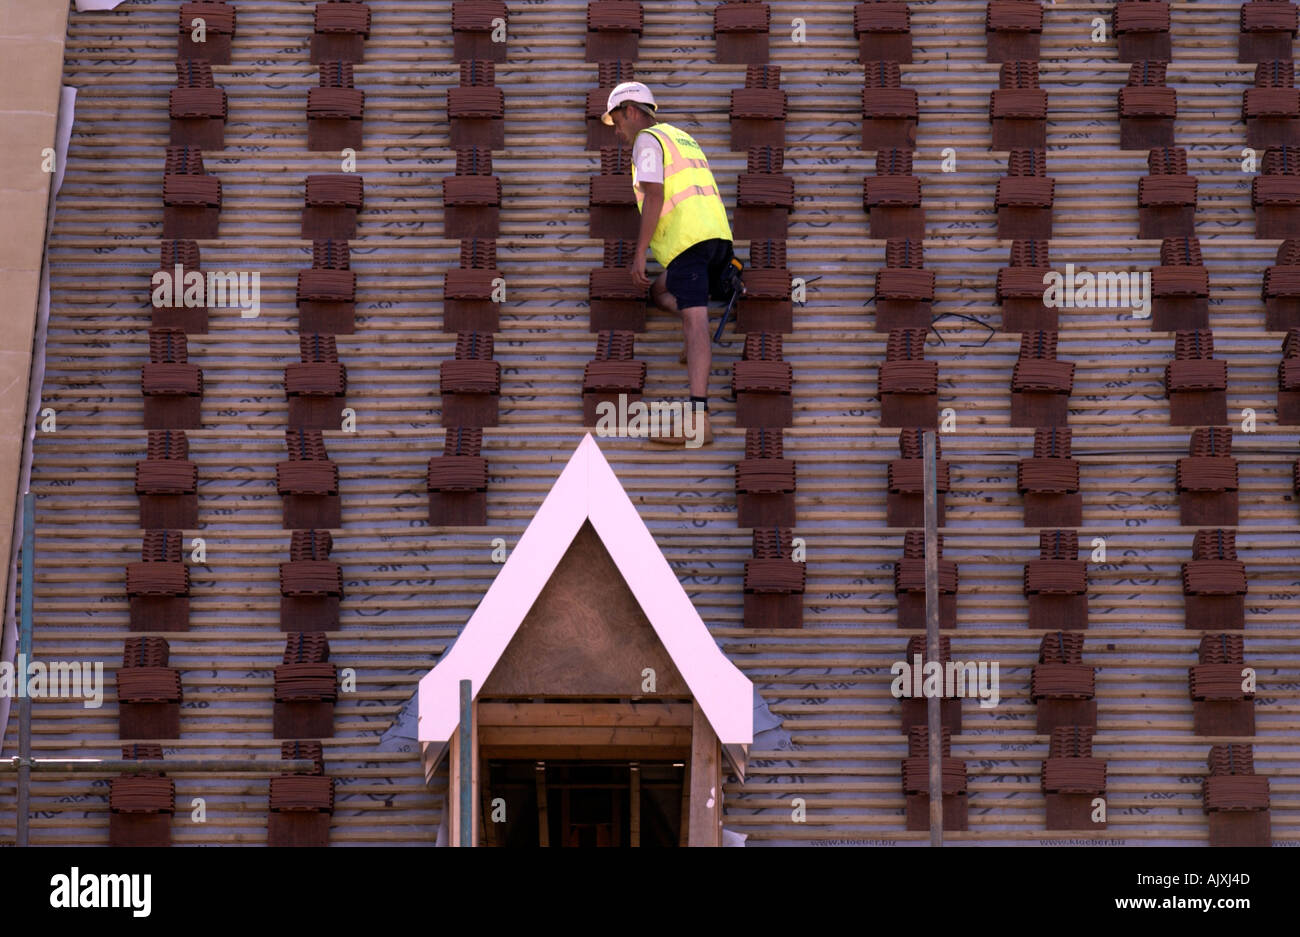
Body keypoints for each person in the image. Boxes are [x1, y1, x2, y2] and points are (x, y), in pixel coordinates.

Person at [602, 81, 738, 446]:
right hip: (718, 239)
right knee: (659, 292)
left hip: (688, 242)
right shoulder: (679, 136)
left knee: (694, 319)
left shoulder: (647, 140)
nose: (617, 132)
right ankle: (699, 342)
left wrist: (639, 253)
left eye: (617, 121)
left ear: (632, 112)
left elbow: (656, 194)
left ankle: (699, 418)